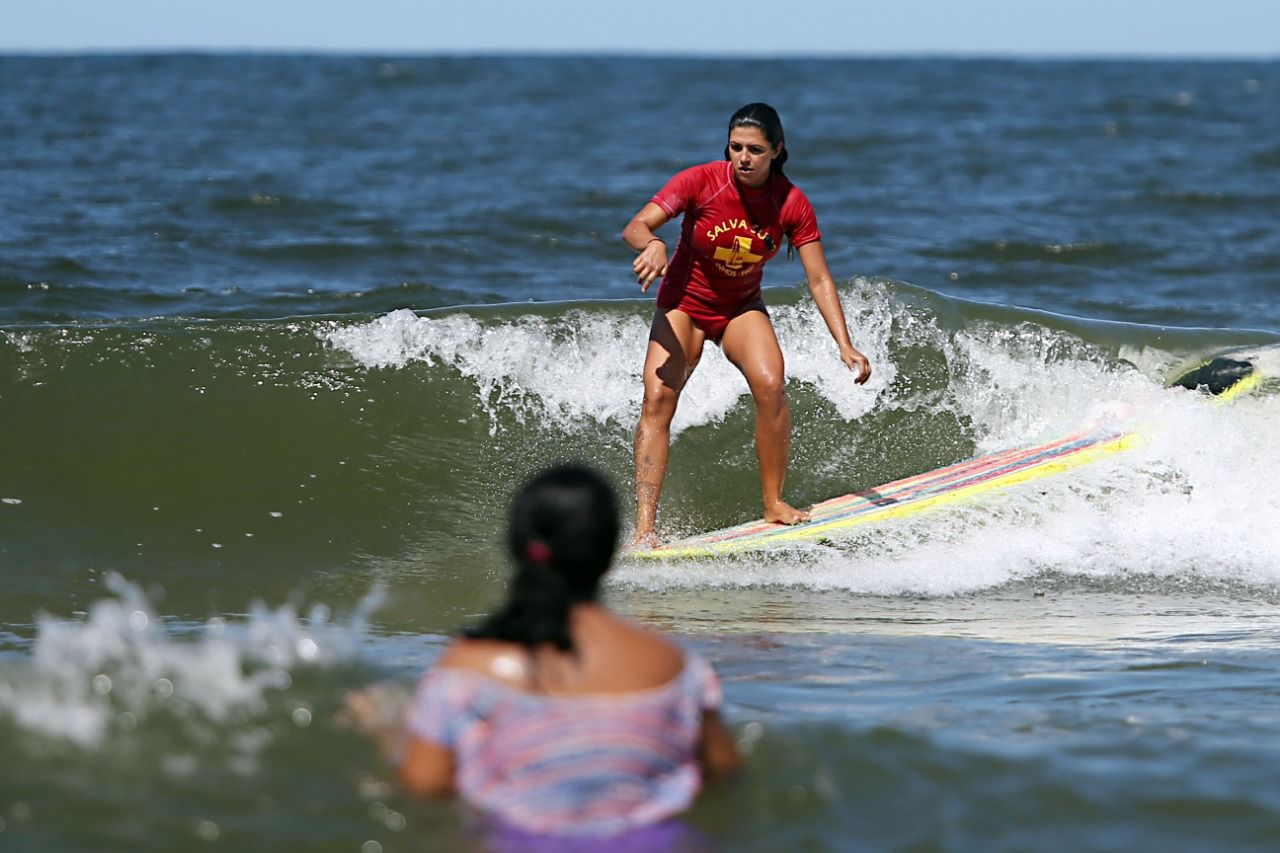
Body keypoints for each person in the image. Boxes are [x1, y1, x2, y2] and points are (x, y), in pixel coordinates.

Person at [395, 464, 739, 842]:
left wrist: (384, 733)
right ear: (608, 552)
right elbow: (722, 773)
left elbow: (425, 786)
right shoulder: (671, 664)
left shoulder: (468, 669)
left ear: (518, 547)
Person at [623, 103, 872, 545]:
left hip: (739, 307)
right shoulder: (700, 181)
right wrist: (654, 244)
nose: (743, 157)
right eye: (736, 147)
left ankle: (774, 503)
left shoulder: (791, 203)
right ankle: (645, 529)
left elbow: (818, 278)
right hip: (684, 303)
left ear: (777, 151)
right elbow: (637, 226)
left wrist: (845, 343)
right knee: (658, 397)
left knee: (772, 385)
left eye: (755, 149)